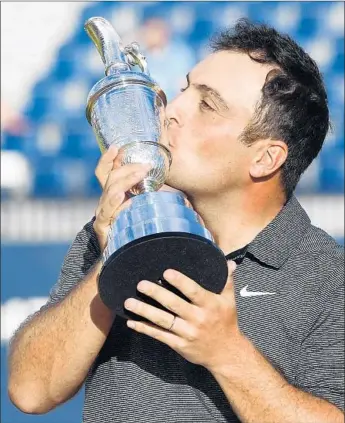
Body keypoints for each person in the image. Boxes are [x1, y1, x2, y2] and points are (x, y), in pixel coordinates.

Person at [8, 19, 344, 423]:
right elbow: (30, 391)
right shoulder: (111, 227)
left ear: (265, 158)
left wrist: (226, 352)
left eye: (207, 105)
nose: (170, 110)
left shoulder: (328, 276)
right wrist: (121, 247)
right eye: (185, 89)